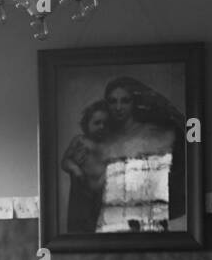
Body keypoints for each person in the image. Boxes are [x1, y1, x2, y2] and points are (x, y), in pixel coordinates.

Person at [97, 76, 186, 233]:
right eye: (113, 101)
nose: (118, 107)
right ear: (107, 104)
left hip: (155, 222)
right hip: (112, 226)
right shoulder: (103, 139)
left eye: (125, 101)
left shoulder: (156, 134)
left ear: (134, 103)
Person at [60, 100, 112, 234]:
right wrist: (75, 169)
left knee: (99, 223)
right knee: (80, 223)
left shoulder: (109, 145)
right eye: (97, 123)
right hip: (81, 192)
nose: (102, 126)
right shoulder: (80, 141)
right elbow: (65, 161)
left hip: (101, 192)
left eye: (106, 124)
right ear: (86, 124)